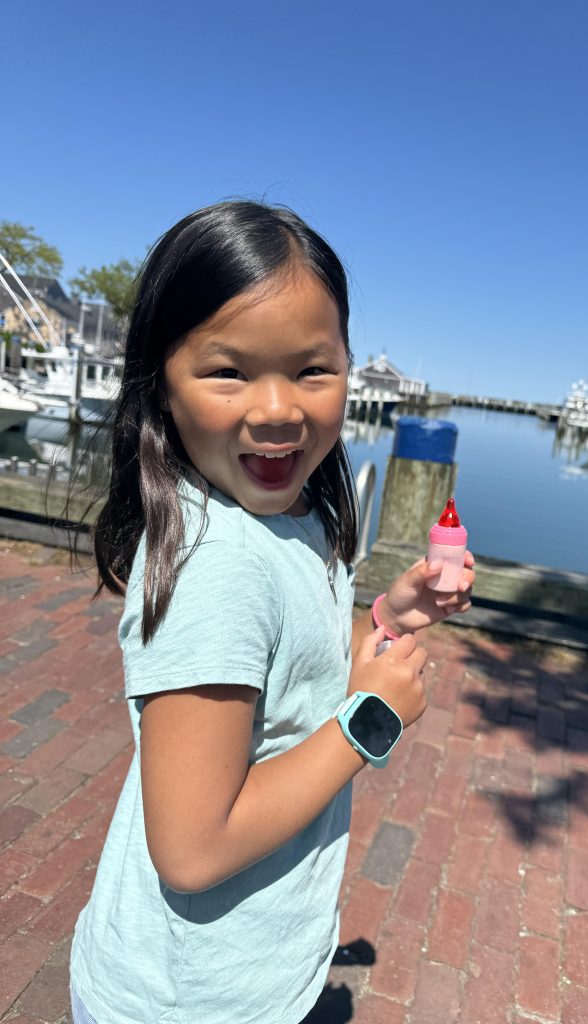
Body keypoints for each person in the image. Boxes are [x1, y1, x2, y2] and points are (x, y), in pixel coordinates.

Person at [69, 199, 475, 1024]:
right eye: (229, 371)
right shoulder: (216, 567)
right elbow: (193, 849)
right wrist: (368, 721)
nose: (280, 408)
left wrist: (388, 617)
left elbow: (295, 666)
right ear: (161, 384)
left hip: (244, 974)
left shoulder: (290, 516)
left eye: (313, 370)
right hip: (186, 1001)